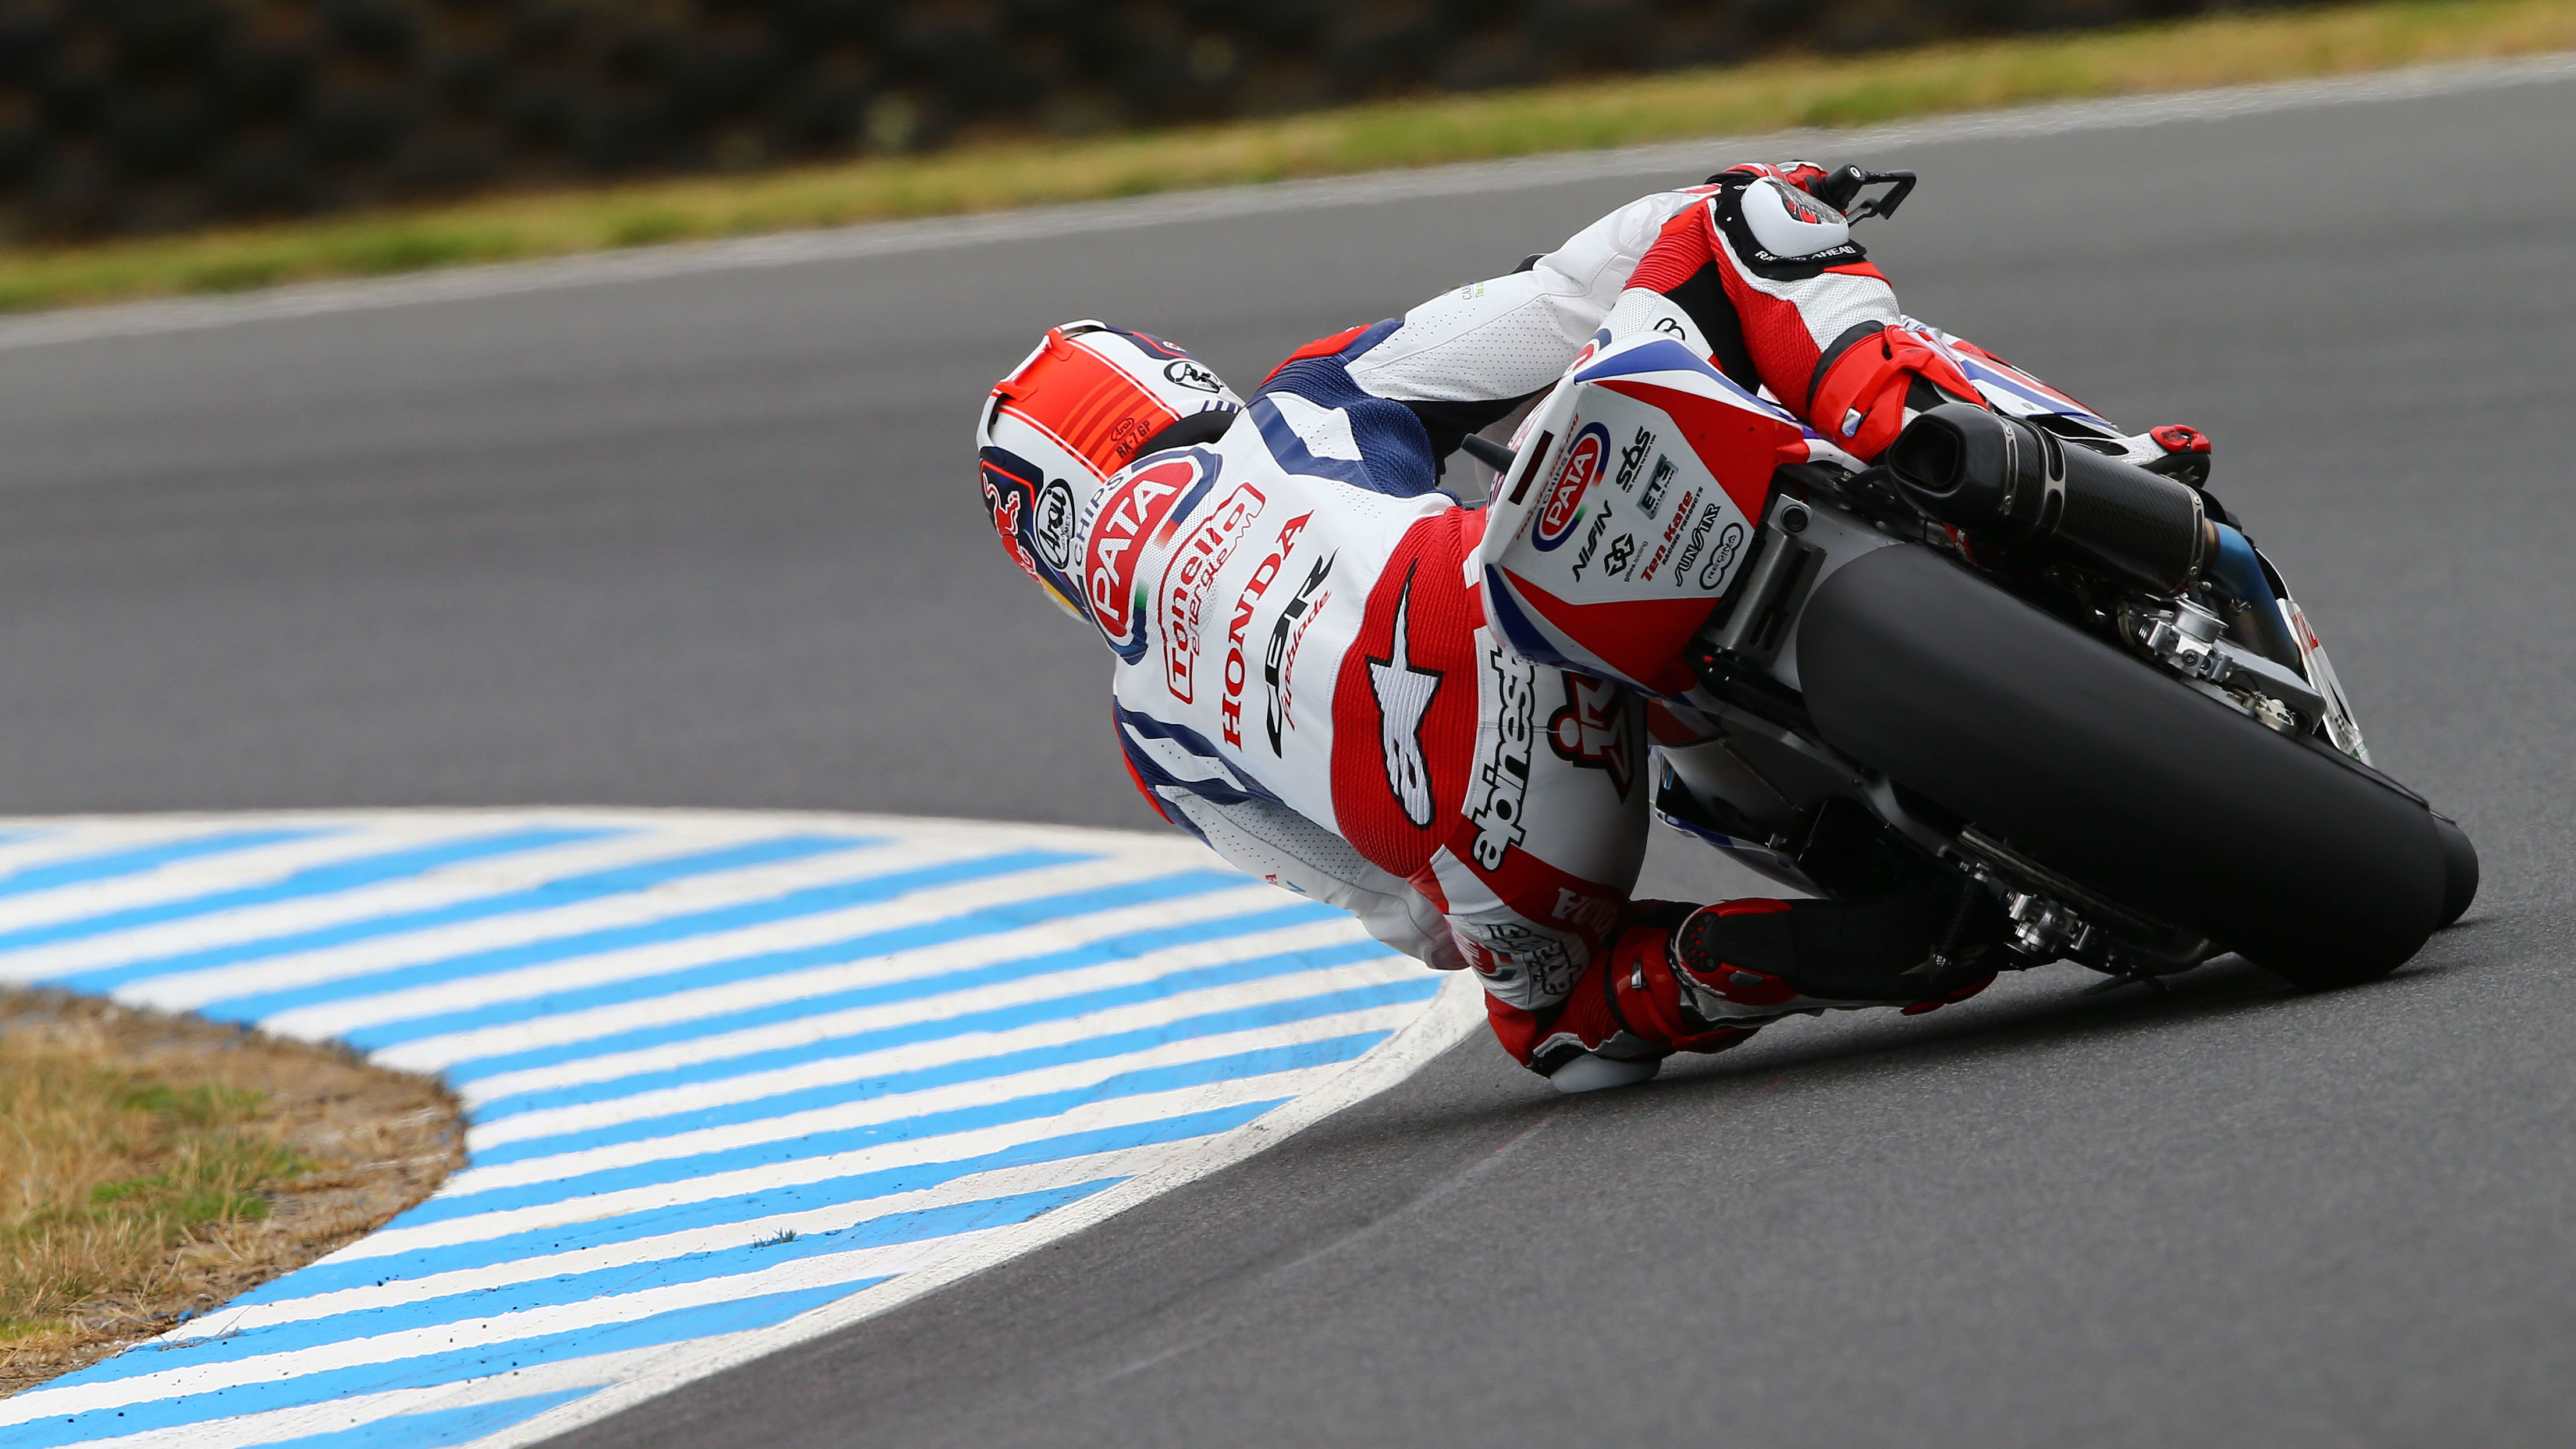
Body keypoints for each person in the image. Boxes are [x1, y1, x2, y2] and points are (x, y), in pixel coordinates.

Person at [975, 162, 2214, 1092]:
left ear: (1054, 547)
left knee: (1554, 1026)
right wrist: (1735, 205)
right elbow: (1558, 299)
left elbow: (1397, 913)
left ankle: (1767, 957)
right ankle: (1989, 454)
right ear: (1176, 386)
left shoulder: (1152, 730)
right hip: (1500, 581)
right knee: (1734, 227)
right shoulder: (1301, 407)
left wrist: (1478, 871)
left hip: (1513, 821)